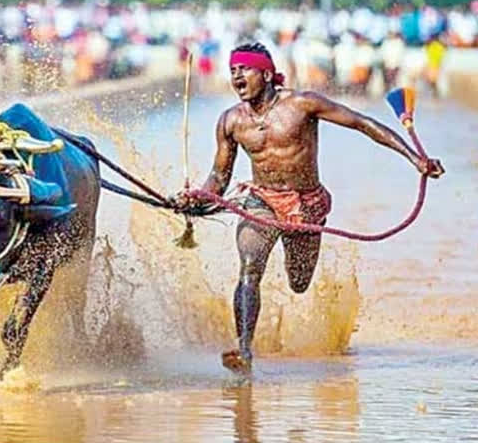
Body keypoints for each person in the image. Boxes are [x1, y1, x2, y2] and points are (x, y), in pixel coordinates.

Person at [175, 42, 444, 375]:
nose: (236, 77)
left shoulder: (303, 104)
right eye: (232, 71)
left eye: (244, 69)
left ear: (266, 73)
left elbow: (362, 123)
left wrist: (416, 159)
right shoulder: (230, 121)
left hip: (306, 205)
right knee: (249, 267)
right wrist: (197, 198)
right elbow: (219, 176)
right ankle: (244, 350)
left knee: (299, 282)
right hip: (262, 202)